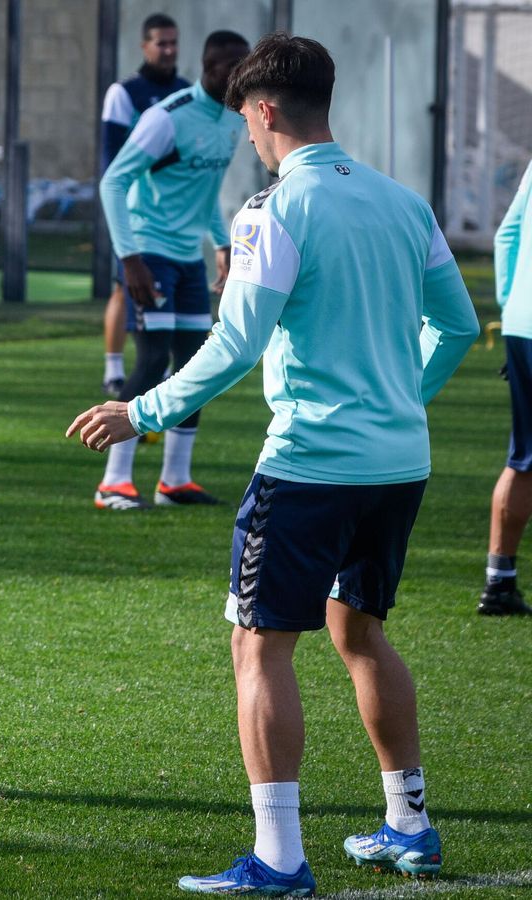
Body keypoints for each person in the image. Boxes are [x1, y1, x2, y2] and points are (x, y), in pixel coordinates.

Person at [69, 34, 478, 894]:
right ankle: (410, 824)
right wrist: (399, 398)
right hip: (399, 463)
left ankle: (281, 859)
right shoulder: (405, 203)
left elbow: (234, 344)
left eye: (249, 126)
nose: (248, 140)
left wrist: (139, 410)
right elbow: (457, 326)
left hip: (309, 465)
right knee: (360, 631)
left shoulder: (273, 210)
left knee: (258, 647)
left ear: (262, 111)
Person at [94, 29, 251, 511]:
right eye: (236, 69)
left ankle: (174, 481)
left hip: (186, 258)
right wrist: (130, 259)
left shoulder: (233, 119)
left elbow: (205, 191)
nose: (243, 78)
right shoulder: (167, 117)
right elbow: (113, 182)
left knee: (193, 365)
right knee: (152, 359)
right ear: (211, 68)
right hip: (148, 253)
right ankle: (113, 482)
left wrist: (221, 243)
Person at [99, 13, 187, 398]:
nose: (168, 50)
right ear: (144, 46)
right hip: (132, 212)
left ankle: (158, 365)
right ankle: (115, 369)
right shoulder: (124, 92)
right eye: (161, 43)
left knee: (166, 292)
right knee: (125, 287)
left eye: (173, 42)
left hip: (171, 218)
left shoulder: (185, 92)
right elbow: (112, 160)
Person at [478, 158, 532, 616]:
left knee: (524, 457)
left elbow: (507, 234)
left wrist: (512, 306)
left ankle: (500, 581)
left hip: (522, 324)